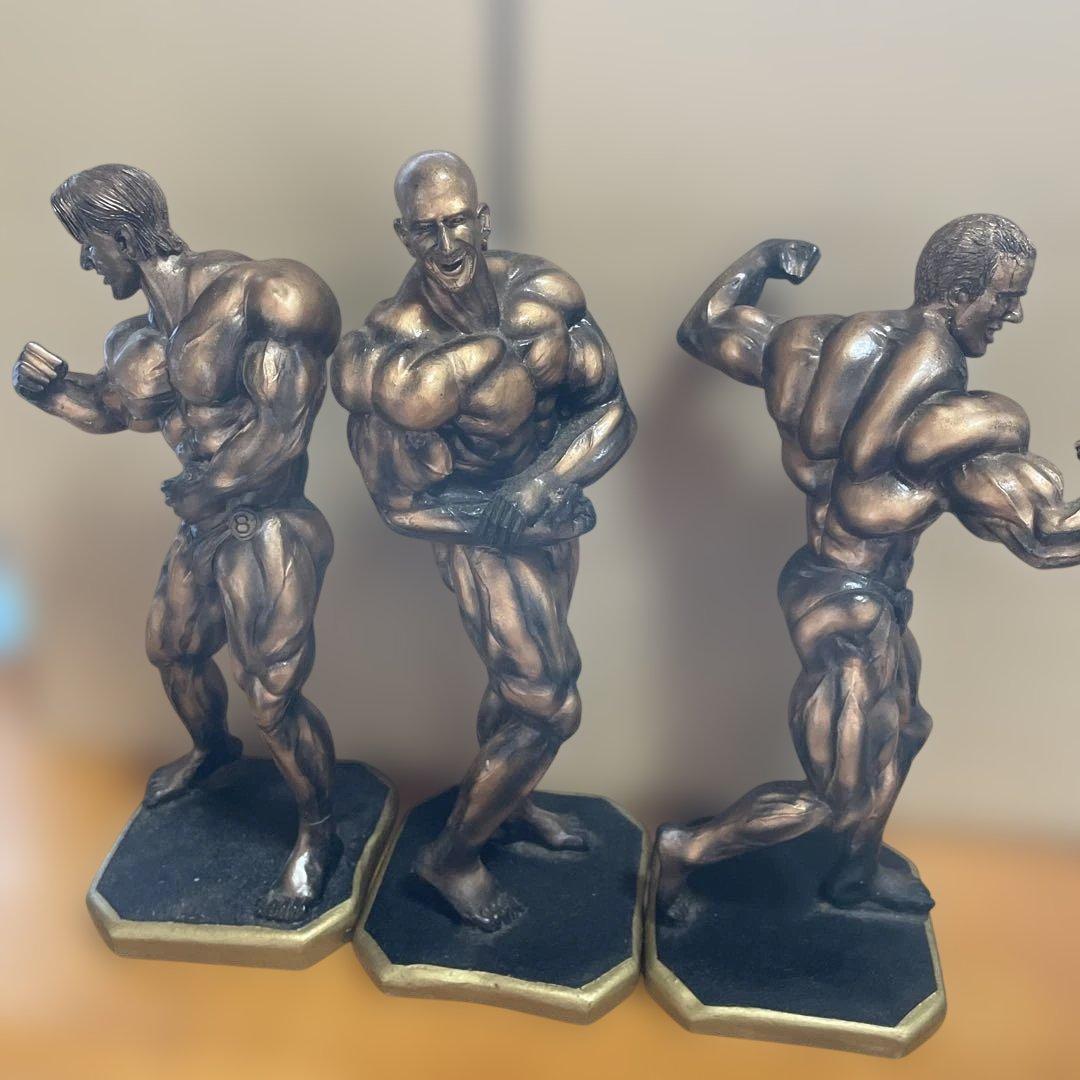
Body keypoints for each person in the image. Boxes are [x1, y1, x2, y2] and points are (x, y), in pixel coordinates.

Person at [660, 216, 1080, 918]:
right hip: (846, 607)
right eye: (1005, 298)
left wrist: (763, 259)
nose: (1012, 314)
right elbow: (1045, 537)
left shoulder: (816, 348)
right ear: (959, 293)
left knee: (907, 729)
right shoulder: (952, 426)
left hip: (848, 588)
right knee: (835, 796)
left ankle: (853, 875)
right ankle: (688, 849)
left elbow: (708, 327)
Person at [12, 164, 342, 921]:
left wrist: (215, 484)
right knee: (174, 651)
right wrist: (53, 391)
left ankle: (318, 834)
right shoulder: (136, 341)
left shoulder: (261, 296)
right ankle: (214, 750)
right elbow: (113, 407)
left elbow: (285, 428)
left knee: (273, 695)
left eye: (91, 245)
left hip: (268, 524)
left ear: (124, 236)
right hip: (202, 526)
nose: (88, 263)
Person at [332, 150, 635, 930]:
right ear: (404, 235)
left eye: (457, 220)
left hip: (543, 511)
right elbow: (399, 504)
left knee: (512, 688)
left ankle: (511, 803)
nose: (445, 242)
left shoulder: (545, 296)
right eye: (426, 228)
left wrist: (544, 485)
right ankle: (454, 857)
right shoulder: (393, 347)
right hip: (476, 532)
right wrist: (505, 514)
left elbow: (610, 410)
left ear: (483, 218)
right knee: (548, 703)